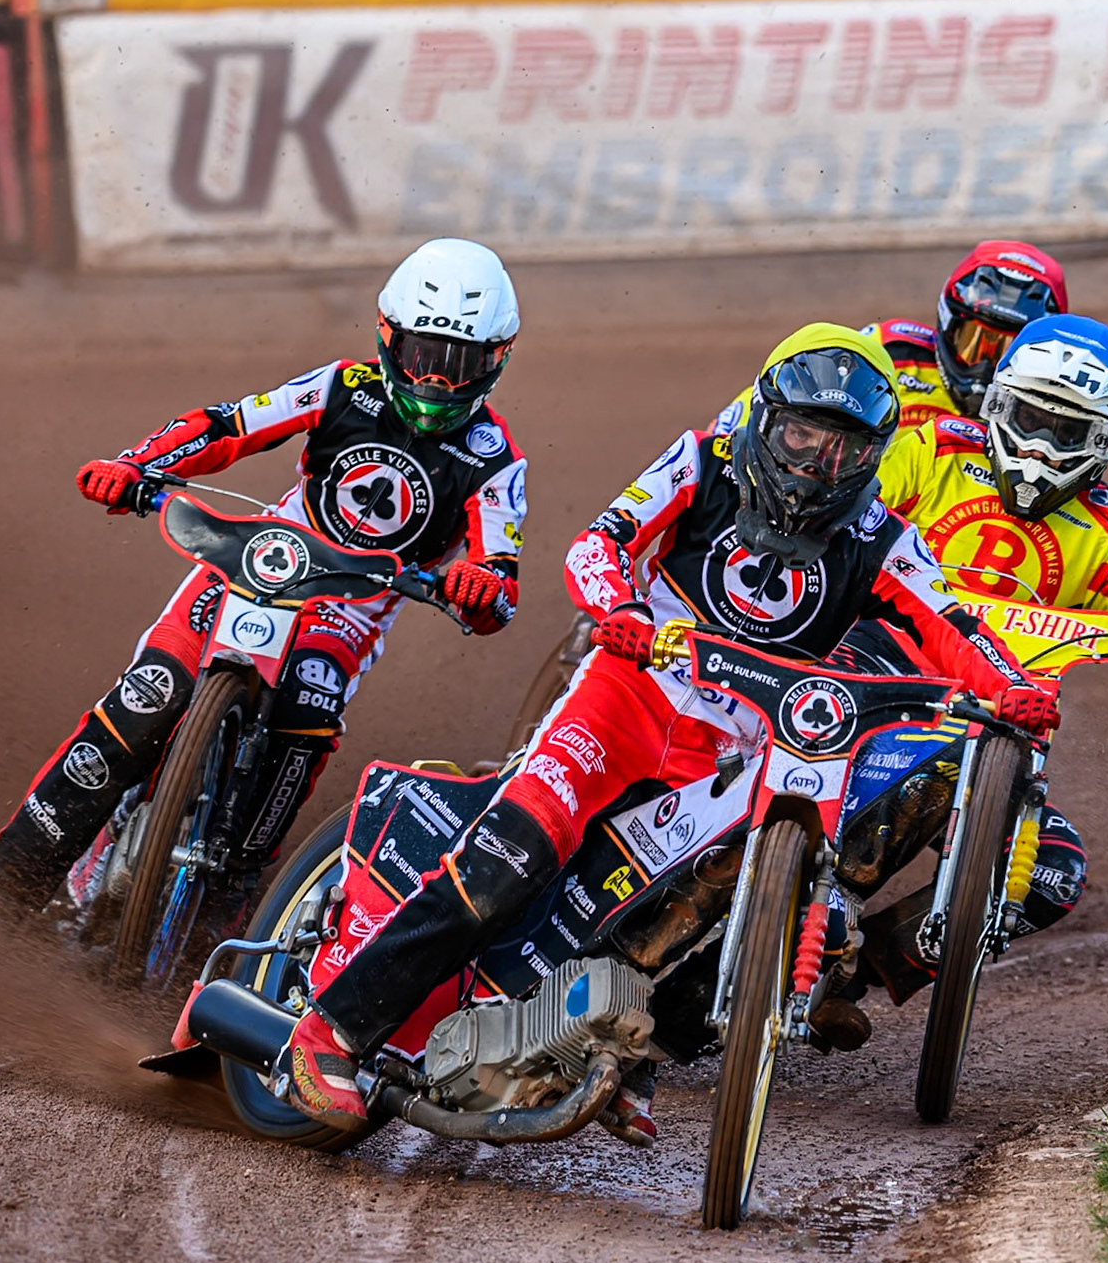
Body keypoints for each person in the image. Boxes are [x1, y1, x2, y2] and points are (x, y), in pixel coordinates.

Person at [275, 323, 1061, 1134]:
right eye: (799, 435)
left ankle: (609, 1049)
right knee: (512, 852)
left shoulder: (881, 539)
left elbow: (957, 627)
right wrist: (616, 609)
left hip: (733, 749)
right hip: (625, 697)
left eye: (842, 451)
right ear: (764, 416)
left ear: (872, 457)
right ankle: (330, 1028)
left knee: (709, 900)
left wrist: (1013, 688)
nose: (813, 465)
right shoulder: (699, 460)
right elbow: (599, 543)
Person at [0, 238, 529, 925]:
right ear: (388, 337)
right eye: (422, 357)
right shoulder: (339, 387)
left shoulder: (495, 459)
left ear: (495, 359)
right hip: (262, 557)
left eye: (458, 364)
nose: (436, 381)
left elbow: (499, 574)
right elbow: (230, 425)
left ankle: (229, 895)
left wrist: (476, 588)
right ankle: (3, 889)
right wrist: (136, 466)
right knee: (150, 697)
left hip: (353, 602)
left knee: (309, 715)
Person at [834, 313, 1108, 1014]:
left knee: (1052, 873)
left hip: (992, 725)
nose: (1038, 444)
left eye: (1066, 432)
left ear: (1104, 444)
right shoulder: (931, 450)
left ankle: (854, 975)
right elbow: (840, 516)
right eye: (1028, 417)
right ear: (996, 403)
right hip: (863, 684)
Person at [863, 240, 1069, 430]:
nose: (983, 369)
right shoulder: (889, 350)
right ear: (949, 322)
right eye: (973, 342)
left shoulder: (1052, 409)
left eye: (1007, 353)